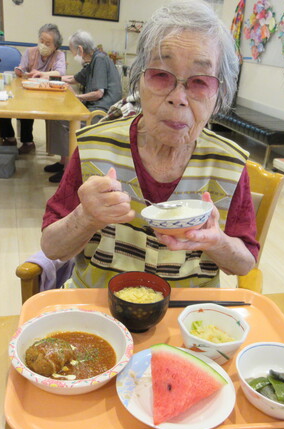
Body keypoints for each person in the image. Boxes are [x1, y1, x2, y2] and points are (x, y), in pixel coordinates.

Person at [40, 0, 259, 289]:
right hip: (98, 311)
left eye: (200, 82)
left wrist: (216, 240)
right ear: (139, 81)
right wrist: (86, 216)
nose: (178, 97)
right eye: (161, 75)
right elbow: (52, 248)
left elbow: (245, 264)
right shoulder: (96, 147)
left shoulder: (228, 164)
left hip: (186, 317)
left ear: (219, 95)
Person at [44, 30, 122, 183]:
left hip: (101, 113)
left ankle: (68, 169)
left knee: (62, 120)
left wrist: (76, 97)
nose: (74, 55)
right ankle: (62, 162)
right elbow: (73, 78)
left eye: (73, 51)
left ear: (80, 49)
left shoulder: (99, 60)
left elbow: (98, 93)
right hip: (92, 108)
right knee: (53, 116)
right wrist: (46, 77)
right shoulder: (92, 61)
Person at [0, 24, 66, 154]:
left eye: (48, 43)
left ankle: (28, 141)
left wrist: (42, 74)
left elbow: (60, 73)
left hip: (47, 94)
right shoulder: (30, 52)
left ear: (55, 46)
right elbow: (22, 68)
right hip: (28, 90)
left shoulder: (59, 55)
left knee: (27, 108)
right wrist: (19, 71)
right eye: (41, 41)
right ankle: (9, 138)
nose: (43, 45)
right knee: (5, 102)